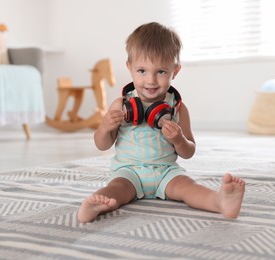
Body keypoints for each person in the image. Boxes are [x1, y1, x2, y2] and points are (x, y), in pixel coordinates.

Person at [77, 22, 245, 223]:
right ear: (129, 67)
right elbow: (102, 144)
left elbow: (188, 152)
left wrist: (179, 139)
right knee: (115, 190)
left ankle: (220, 201)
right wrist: (105, 127)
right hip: (128, 172)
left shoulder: (178, 109)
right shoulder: (120, 105)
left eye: (161, 72)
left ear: (175, 70)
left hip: (167, 172)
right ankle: (95, 207)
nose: (151, 80)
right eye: (142, 71)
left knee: (188, 188)